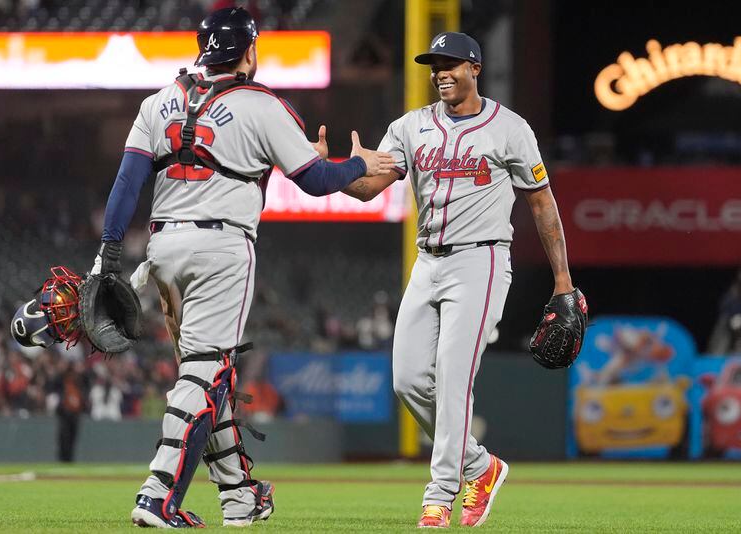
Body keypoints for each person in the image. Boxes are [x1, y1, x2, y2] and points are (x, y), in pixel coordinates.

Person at [91, 7, 394, 528]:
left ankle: (239, 495)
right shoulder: (261, 104)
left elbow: (125, 187)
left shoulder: (158, 101)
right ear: (249, 51)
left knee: (212, 377)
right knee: (205, 375)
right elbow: (319, 181)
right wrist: (360, 164)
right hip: (220, 251)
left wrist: (109, 256)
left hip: (163, 252)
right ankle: (157, 495)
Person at [343, 32, 579, 528]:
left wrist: (563, 280)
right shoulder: (410, 127)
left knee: (453, 378)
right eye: (435, 65)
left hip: (482, 262)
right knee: (407, 379)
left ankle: (440, 493)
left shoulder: (510, 129)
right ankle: (480, 465)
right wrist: (342, 169)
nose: (441, 72)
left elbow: (542, 203)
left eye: (451, 63)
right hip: (426, 263)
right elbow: (369, 189)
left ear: (475, 68)